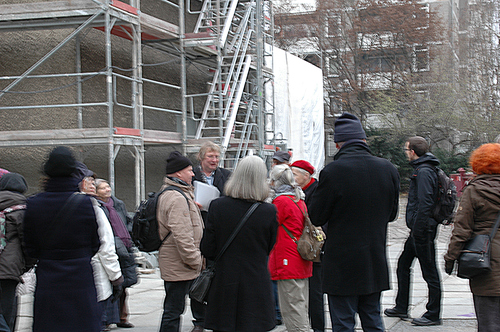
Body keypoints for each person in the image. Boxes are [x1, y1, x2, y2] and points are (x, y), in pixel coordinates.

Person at [308, 113, 400, 332]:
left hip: (342, 262)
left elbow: (316, 217)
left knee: (343, 322)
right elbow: (392, 215)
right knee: (373, 319)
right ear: (364, 140)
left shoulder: (333, 172)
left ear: (337, 143)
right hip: (373, 259)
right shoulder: (388, 169)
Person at [23, 146, 101, 332]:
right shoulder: (84, 203)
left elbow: (30, 246)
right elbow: (95, 243)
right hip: (80, 275)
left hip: (49, 275)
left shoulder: (33, 204)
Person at [200, 155, 278, 332]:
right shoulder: (268, 211)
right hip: (256, 282)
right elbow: (269, 247)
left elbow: (207, 248)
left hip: (225, 281)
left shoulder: (217, 206)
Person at [384, 136, 442, 326]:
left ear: (413, 152)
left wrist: (418, 228)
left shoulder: (424, 171)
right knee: (403, 264)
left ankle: (433, 314)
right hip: (419, 229)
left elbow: (425, 203)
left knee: (430, 271)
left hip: (422, 230)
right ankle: (401, 306)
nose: (406, 152)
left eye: (406, 149)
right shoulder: (424, 168)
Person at [444, 143, 500, 332]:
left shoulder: (474, 190)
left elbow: (462, 230)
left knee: (489, 322)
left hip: (487, 263)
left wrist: (450, 258)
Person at [157, 151, 204, 332]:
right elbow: (182, 235)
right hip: (180, 264)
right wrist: (196, 261)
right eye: (190, 170)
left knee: (174, 309)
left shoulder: (179, 193)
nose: (193, 174)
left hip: (179, 263)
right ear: (178, 173)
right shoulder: (176, 197)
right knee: (173, 310)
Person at [74, 164, 123, 332]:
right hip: (92, 278)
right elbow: (106, 247)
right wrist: (116, 276)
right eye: (88, 180)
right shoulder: (92, 208)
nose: (92, 184)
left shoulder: (48, 203)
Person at [268, 164, 313, 332]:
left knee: (291, 306)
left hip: (287, 259)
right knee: (300, 303)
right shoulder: (297, 199)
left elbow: (270, 225)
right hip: (299, 258)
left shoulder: (281, 201)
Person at [95, 178, 136, 329]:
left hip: (124, 248)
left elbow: (127, 221)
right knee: (109, 285)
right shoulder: (97, 207)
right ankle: (107, 318)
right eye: (103, 188)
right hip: (111, 247)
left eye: (108, 187)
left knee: (123, 285)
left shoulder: (117, 204)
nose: (107, 190)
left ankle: (122, 317)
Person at [291, 160, 324, 332]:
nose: (292, 178)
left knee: (315, 292)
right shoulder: (299, 190)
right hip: (304, 246)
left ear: (306, 176)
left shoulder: (315, 191)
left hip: (313, 247)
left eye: (295, 174)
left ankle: (318, 327)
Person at [0, 172, 34, 332]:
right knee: (7, 312)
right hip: (9, 268)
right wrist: (26, 265)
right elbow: (28, 242)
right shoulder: (23, 209)